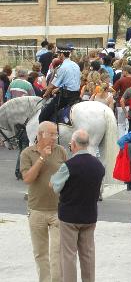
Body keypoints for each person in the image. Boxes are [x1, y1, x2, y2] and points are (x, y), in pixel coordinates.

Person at [50, 129, 105, 282]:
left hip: (69, 217)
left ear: (73, 144)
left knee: (68, 256)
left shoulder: (69, 165)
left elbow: (55, 186)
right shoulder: (98, 165)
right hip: (89, 215)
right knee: (88, 255)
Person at [20, 121, 66, 282]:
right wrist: (42, 158)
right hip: (36, 210)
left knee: (57, 252)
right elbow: (27, 178)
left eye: (56, 134)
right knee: (40, 253)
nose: (55, 138)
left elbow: (66, 177)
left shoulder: (61, 151)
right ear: (40, 135)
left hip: (58, 211)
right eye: (51, 134)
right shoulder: (27, 153)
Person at [39, 45, 81, 124]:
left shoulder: (62, 67)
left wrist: (46, 94)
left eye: (58, 54)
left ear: (62, 55)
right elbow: (71, 82)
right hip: (76, 95)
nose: (58, 56)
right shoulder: (76, 65)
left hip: (65, 97)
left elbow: (52, 85)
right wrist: (59, 88)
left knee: (42, 116)